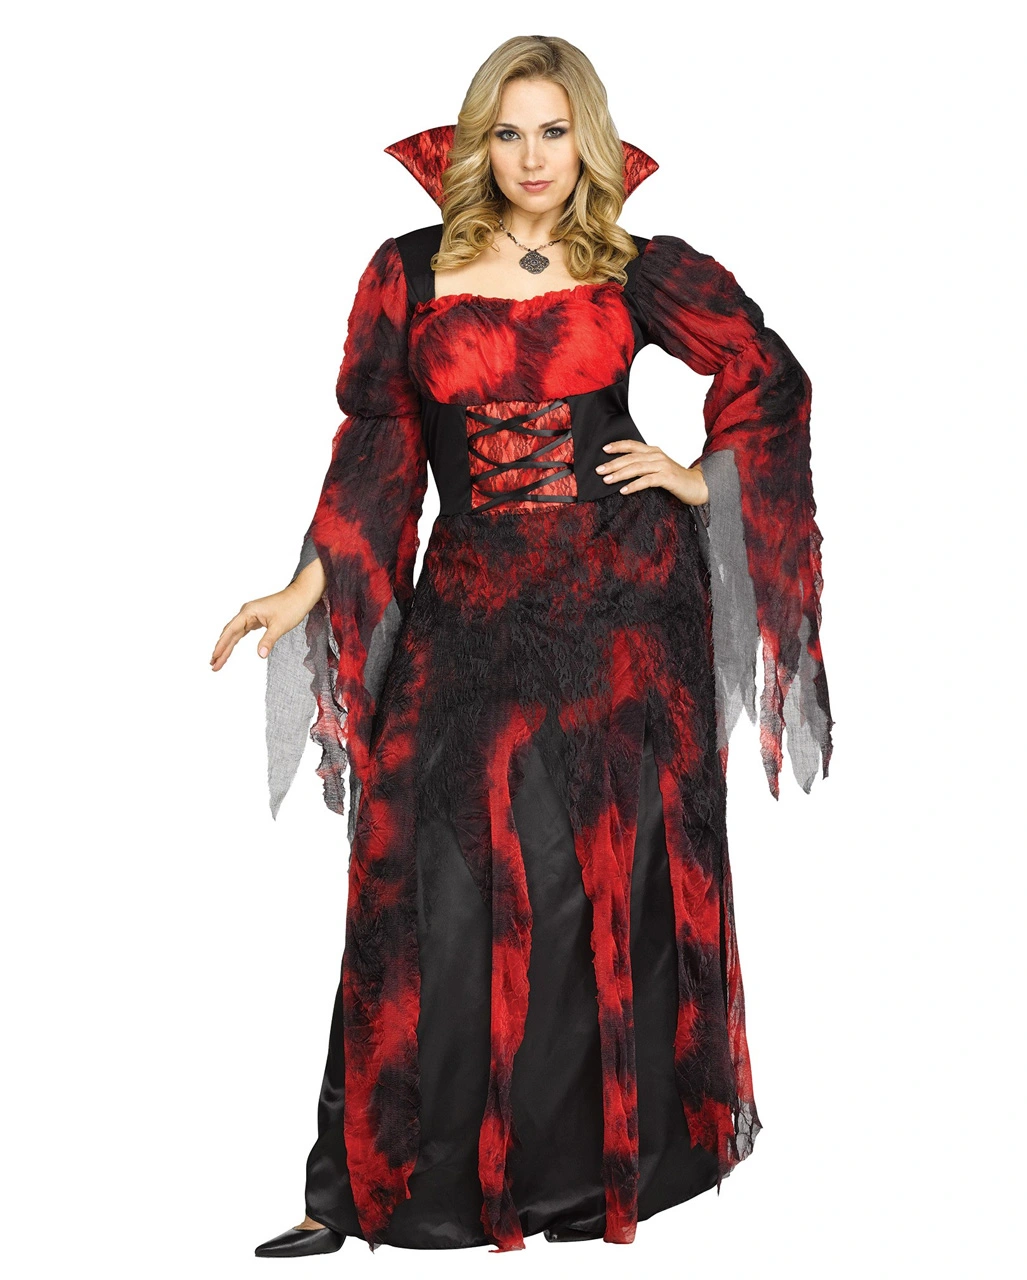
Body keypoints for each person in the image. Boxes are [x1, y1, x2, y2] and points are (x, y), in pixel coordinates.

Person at [211, 33, 834, 1257]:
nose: (532, 156)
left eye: (553, 130)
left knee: (593, 877)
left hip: (621, 611)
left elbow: (766, 374)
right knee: (413, 873)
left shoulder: (633, 268)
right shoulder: (409, 269)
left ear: (585, 138)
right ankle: (356, 1189)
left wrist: (699, 478)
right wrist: (307, 584)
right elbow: (380, 449)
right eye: (507, 132)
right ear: (475, 142)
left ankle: (590, 1175)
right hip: (473, 607)